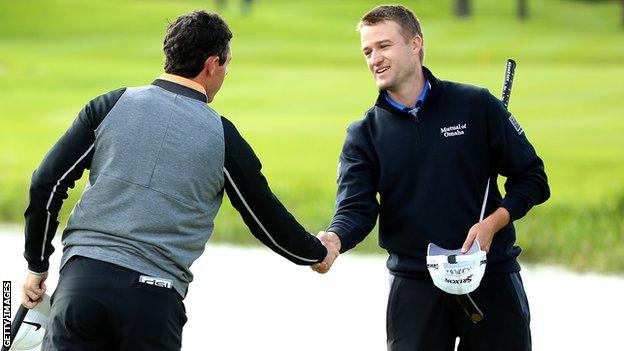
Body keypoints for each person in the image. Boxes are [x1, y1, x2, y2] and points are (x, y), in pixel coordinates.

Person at [21, 10, 338, 351]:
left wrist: (37, 264)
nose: (226, 74)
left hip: (81, 290)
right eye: (228, 65)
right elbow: (265, 217)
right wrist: (317, 253)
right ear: (212, 64)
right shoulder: (223, 137)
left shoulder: (110, 105)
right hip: (153, 303)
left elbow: (46, 184)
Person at [312, 5, 550, 351]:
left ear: (415, 44)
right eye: (367, 51)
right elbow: (356, 209)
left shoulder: (475, 105)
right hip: (416, 286)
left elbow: (532, 178)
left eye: (384, 46)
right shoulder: (364, 134)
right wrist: (334, 239)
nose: (374, 58)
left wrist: (493, 224)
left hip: (491, 277)